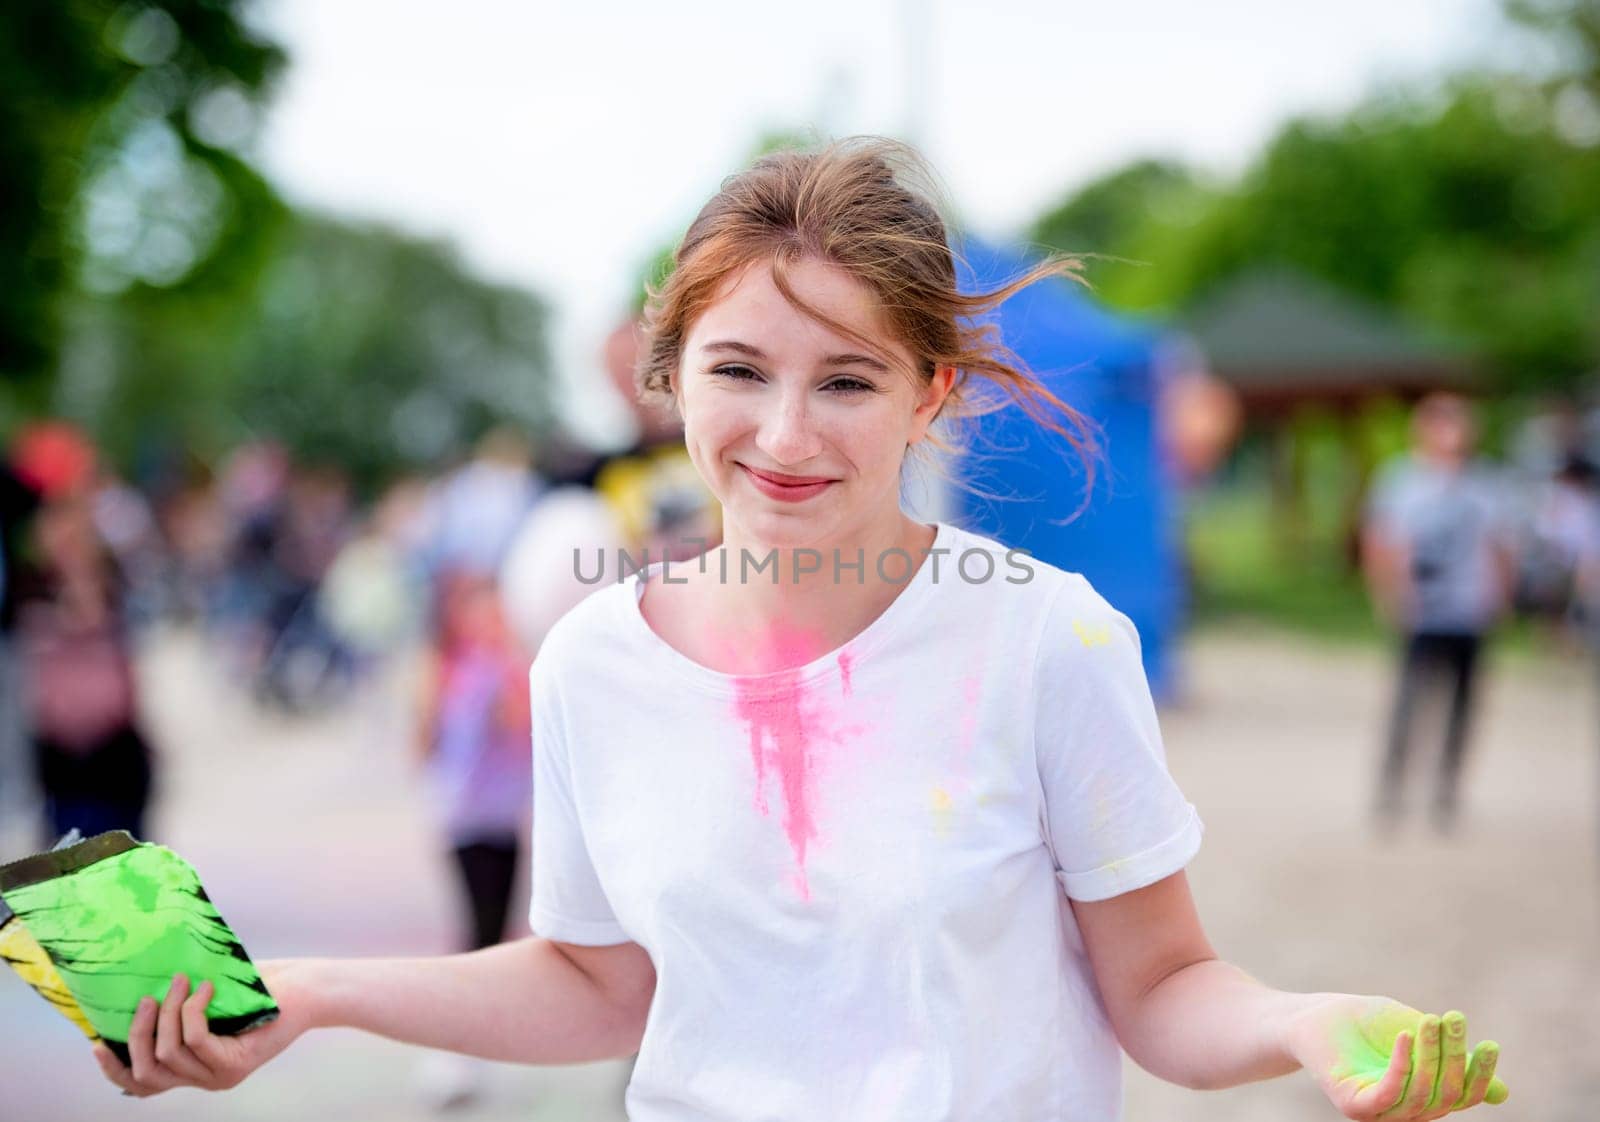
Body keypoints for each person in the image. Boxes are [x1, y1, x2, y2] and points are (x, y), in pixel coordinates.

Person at [95, 138, 1507, 1121]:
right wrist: (314, 992)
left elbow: (1164, 986)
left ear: (933, 393)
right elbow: (600, 983)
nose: (782, 434)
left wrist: (1299, 1023)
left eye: (846, 378)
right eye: (737, 369)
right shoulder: (593, 657)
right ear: (665, 378)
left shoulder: (1044, 642)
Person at [1362, 394, 1516, 836]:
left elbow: (1499, 546)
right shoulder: (1400, 481)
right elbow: (1382, 542)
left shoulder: (1485, 484)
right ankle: (1392, 790)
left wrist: (1501, 596)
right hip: (1422, 613)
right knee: (1409, 704)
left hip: (1469, 611)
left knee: (1463, 706)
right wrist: (1388, 594)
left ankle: (1446, 791)